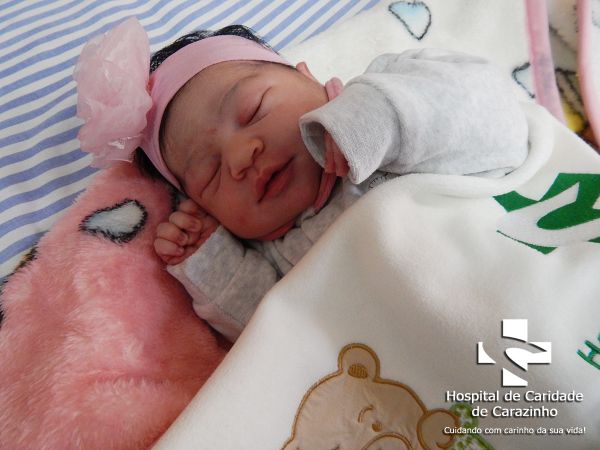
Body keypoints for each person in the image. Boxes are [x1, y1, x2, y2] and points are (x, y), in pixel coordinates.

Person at [75, 18, 528, 341]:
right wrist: (212, 262)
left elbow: (500, 121)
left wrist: (380, 117)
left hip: (520, 284)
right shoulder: (276, 258)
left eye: (253, 109)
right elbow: (286, 337)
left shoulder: (392, 86)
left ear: (306, 75)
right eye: (210, 175)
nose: (240, 157)